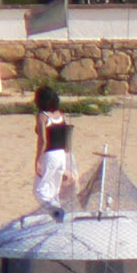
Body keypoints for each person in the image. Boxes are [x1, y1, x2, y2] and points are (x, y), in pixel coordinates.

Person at [32, 85, 76, 216]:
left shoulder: (43, 116)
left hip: (49, 154)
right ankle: (55, 217)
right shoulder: (60, 115)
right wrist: (67, 162)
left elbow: (43, 140)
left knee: (39, 190)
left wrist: (38, 160)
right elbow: (66, 137)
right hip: (61, 154)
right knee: (54, 189)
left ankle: (56, 211)